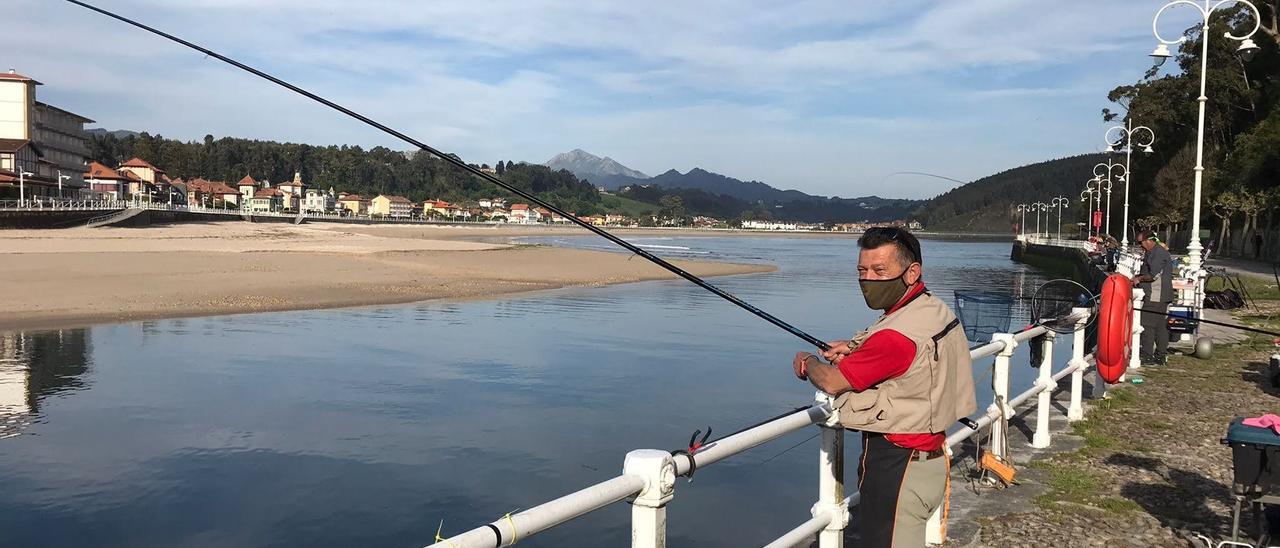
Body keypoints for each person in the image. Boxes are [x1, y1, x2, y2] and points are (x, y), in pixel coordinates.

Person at [791, 227, 975, 548]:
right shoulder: (933, 310)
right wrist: (855, 347)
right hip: (929, 462)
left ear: (911, 272)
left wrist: (808, 362)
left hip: (898, 468)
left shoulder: (895, 337)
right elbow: (911, 355)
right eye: (862, 270)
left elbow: (833, 382)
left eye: (880, 271)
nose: (868, 280)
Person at [1133, 230, 1174, 365]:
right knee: (1160, 325)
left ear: (1149, 240)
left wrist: (1139, 279)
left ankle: (1147, 355)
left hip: (1157, 295)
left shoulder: (1158, 253)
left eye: (1141, 243)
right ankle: (1161, 355)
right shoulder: (1153, 252)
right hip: (1159, 295)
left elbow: (1153, 275)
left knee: (1147, 324)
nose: (1140, 246)